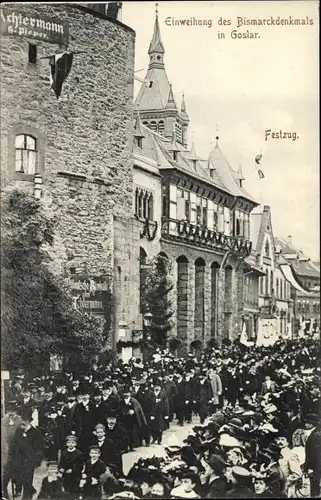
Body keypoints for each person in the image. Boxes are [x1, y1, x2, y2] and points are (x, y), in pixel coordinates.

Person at [8, 407, 43, 500]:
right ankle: (28, 490)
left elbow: (39, 448)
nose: (23, 422)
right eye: (22, 420)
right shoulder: (18, 431)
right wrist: (11, 456)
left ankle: (27, 497)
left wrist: (37, 461)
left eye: (25, 421)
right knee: (19, 478)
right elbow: (13, 445)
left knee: (27, 479)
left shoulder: (36, 433)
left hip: (29, 460)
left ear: (29, 421)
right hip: (18, 459)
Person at [1, 402, 23, 500]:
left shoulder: (20, 420)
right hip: (6, 448)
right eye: (9, 412)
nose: (11, 414)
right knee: (7, 471)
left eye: (13, 412)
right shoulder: (3, 421)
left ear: (16, 412)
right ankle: (4, 491)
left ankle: (18, 489)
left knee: (18, 471)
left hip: (18, 449)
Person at [58, 434, 84, 498]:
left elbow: (80, 466)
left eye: (72, 442)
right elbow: (61, 463)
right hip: (66, 475)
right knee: (66, 489)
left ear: (75, 444)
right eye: (68, 442)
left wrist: (72, 470)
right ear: (66, 444)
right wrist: (61, 468)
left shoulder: (79, 453)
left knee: (75, 490)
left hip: (75, 476)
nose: (70, 444)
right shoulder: (64, 453)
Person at [303, 413, 321, 498]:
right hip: (317, 464)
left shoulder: (314, 436)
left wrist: (308, 467)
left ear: (311, 424)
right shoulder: (317, 433)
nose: (305, 424)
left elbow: (313, 454)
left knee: (314, 486)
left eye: (307, 423)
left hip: (314, 465)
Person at [149, 380, 170, 445]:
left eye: (158, 387)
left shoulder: (163, 394)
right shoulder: (151, 394)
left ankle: (159, 439)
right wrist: (151, 414)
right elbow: (148, 404)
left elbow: (166, 404)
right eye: (156, 387)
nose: (157, 388)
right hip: (153, 413)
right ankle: (154, 438)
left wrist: (166, 414)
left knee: (160, 427)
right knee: (153, 427)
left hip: (160, 413)